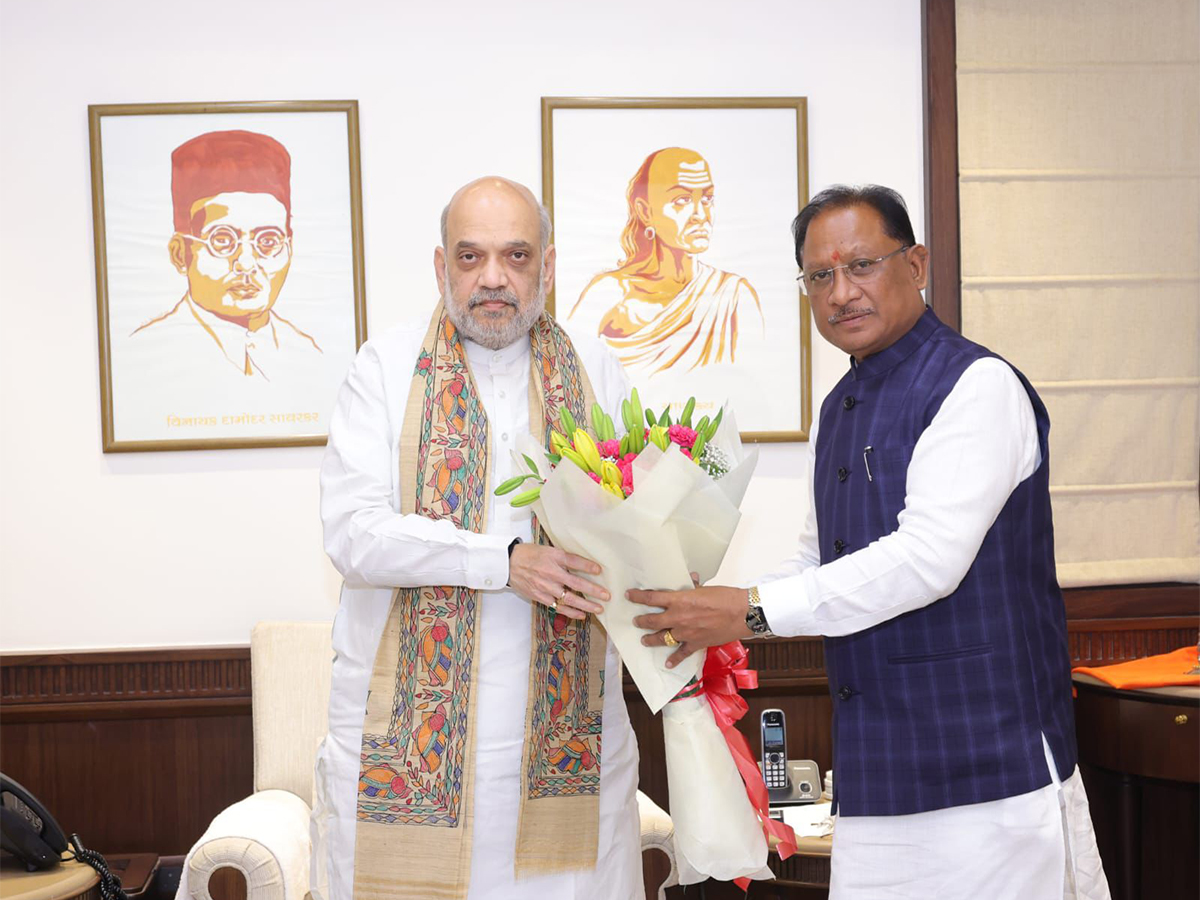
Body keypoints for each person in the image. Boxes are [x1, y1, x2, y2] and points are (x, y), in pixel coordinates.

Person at [627, 186, 1111, 898]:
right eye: (819, 276)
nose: (841, 291)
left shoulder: (977, 386)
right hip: (880, 765)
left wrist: (749, 611)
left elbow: (925, 563)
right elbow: (816, 559)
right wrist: (702, 612)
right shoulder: (840, 406)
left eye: (861, 265)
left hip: (988, 770)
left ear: (915, 264)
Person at [312, 177, 640, 900]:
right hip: (410, 754)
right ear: (441, 267)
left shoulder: (595, 370)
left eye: (516, 255)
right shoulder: (385, 368)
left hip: (566, 757)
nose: (494, 278)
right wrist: (506, 561)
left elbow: (633, 522)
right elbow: (353, 534)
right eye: (471, 257)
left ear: (547, 268)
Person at [132, 129, 321, 380]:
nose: (245, 264)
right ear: (180, 254)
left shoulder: (309, 355)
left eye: (267, 241)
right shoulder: (147, 356)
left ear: (290, 248)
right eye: (222, 240)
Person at [568, 147, 762, 375]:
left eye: (708, 199)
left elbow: (760, 384)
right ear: (645, 211)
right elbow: (568, 384)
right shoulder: (608, 294)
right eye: (682, 200)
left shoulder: (734, 295)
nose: (701, 214)